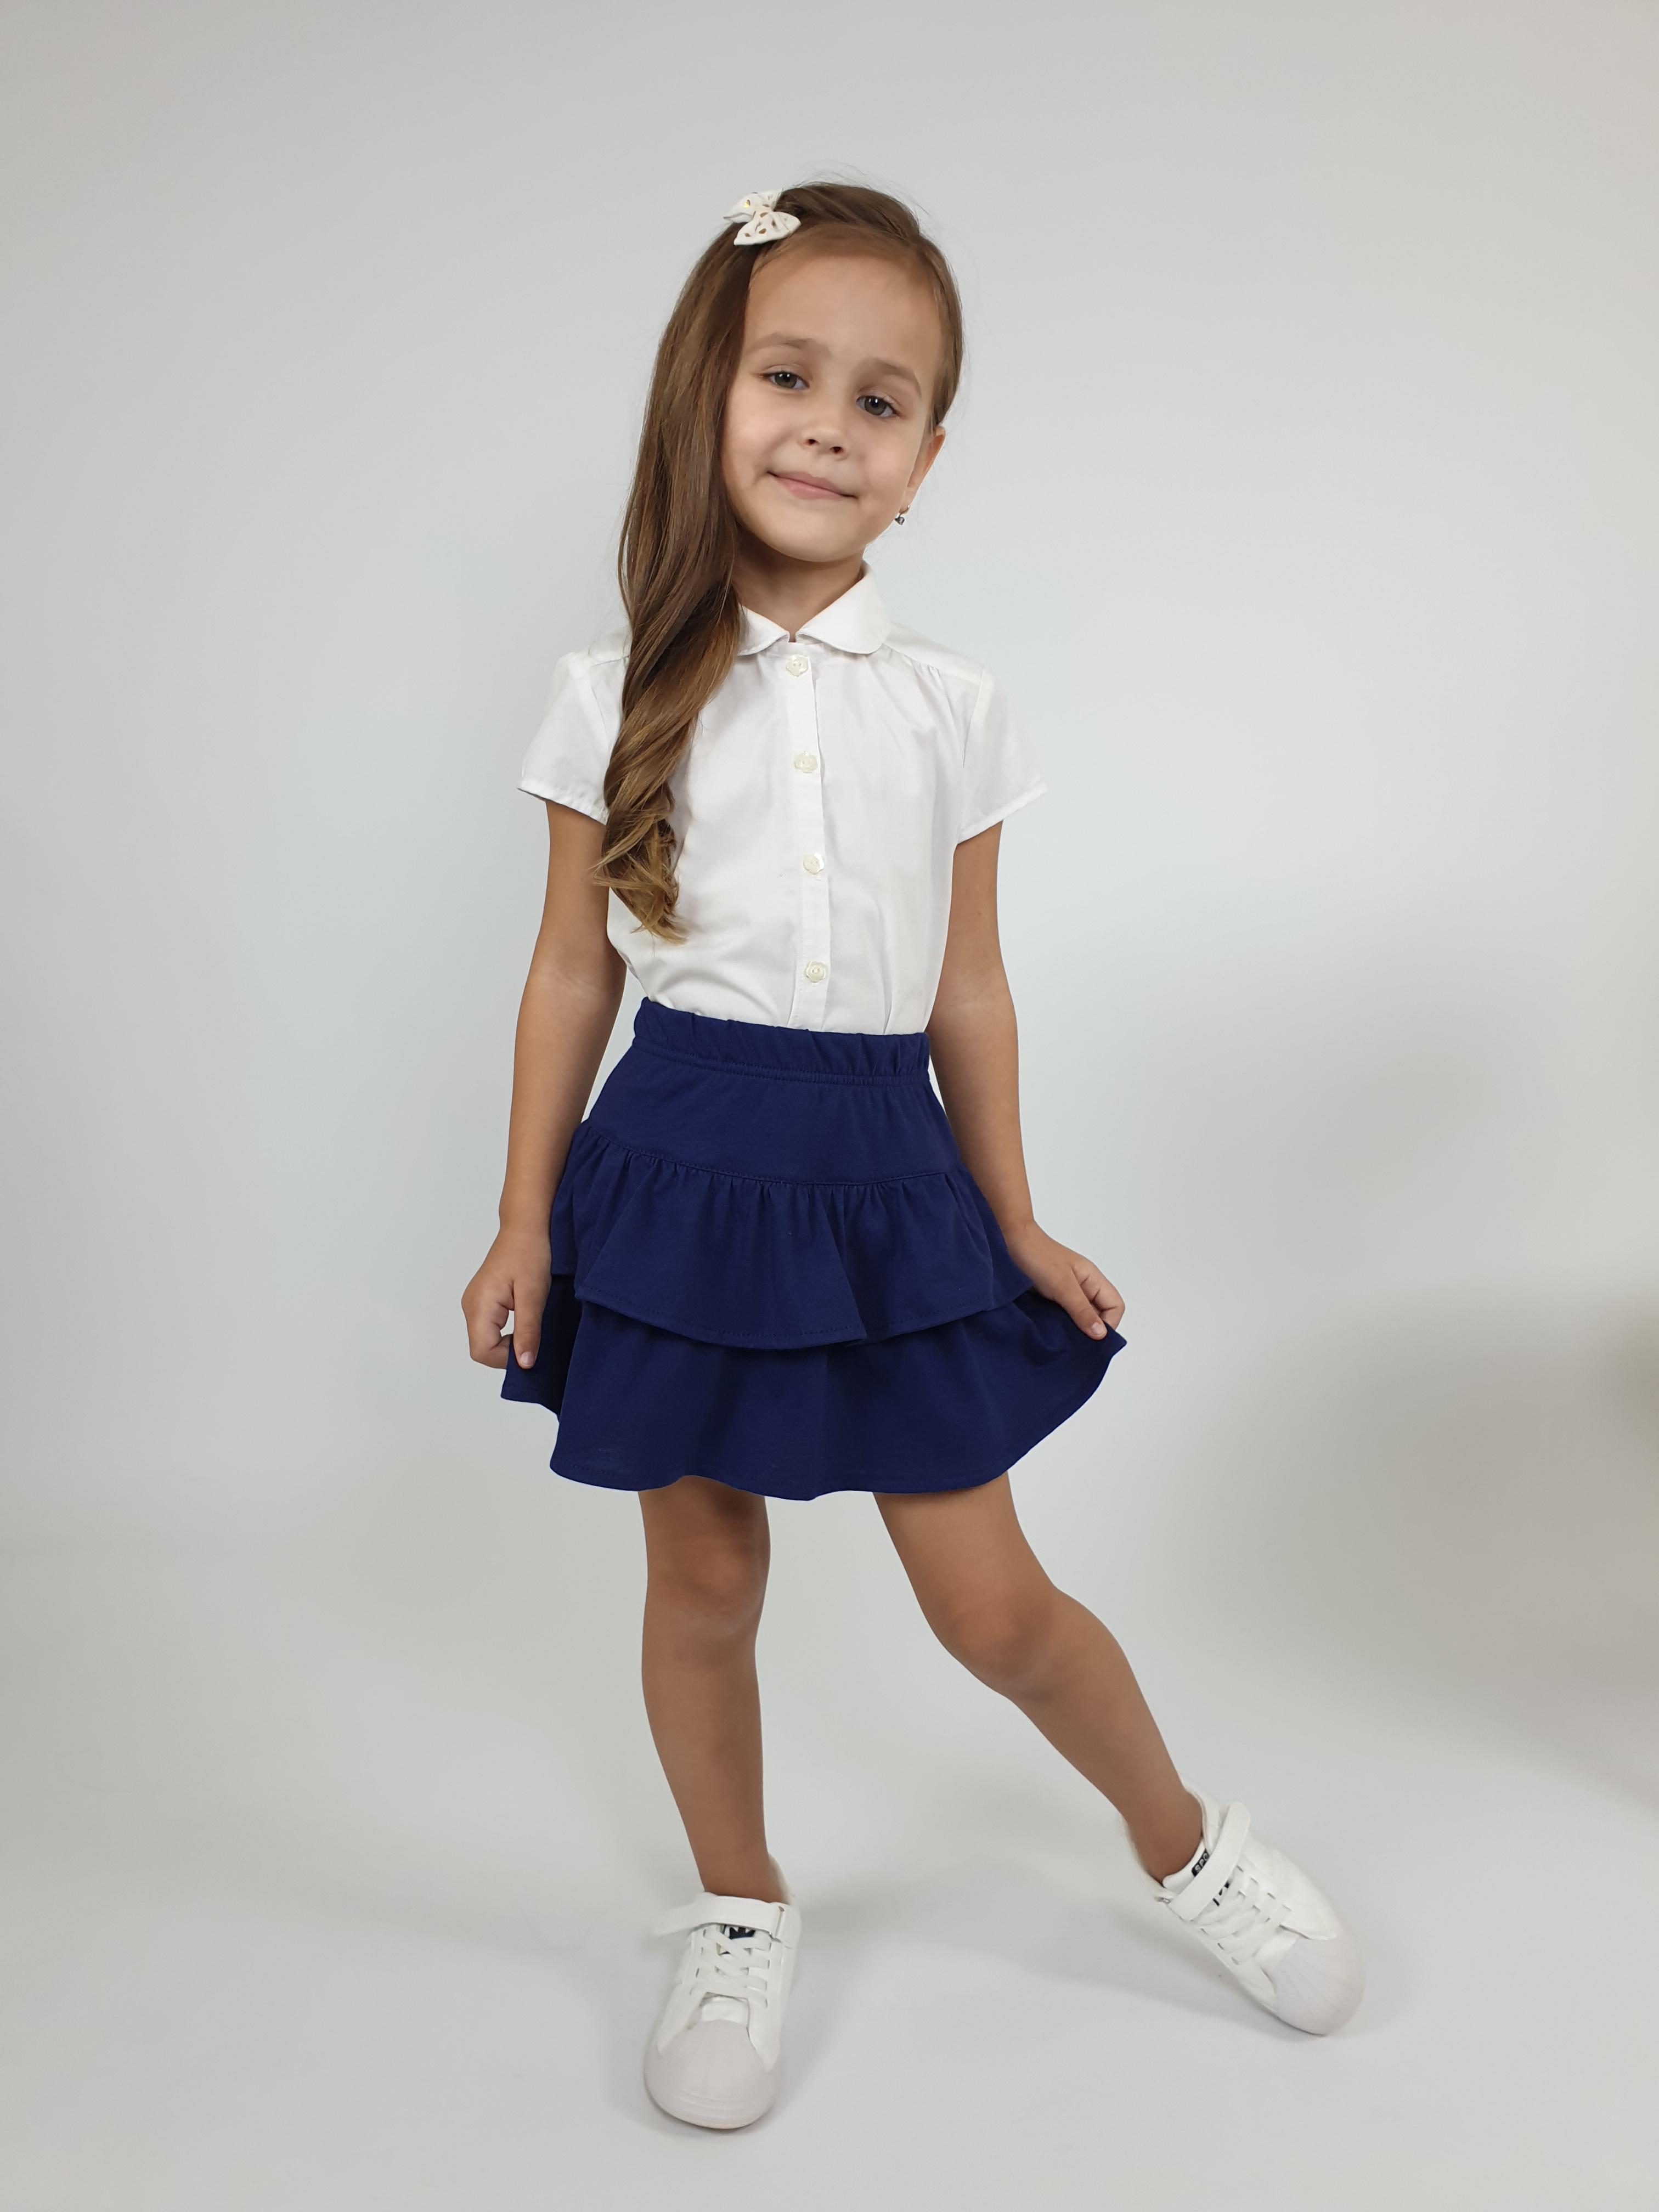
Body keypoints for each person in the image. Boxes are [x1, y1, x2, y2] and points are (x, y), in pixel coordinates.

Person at [462, 181, 1362, 2132]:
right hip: (677, 1169)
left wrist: (1013, 1218)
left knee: (993, 1607)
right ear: (708, 395)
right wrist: (523, 1218)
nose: (827, 427)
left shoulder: (957, 707)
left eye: (882, 402)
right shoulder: (607, 692)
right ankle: (740, 1905)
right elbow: (567, 972)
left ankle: (1188, 1844)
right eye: (787, 377)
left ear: (928, 459)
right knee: (705, 1576)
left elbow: (971, 989)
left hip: (886, 1179)